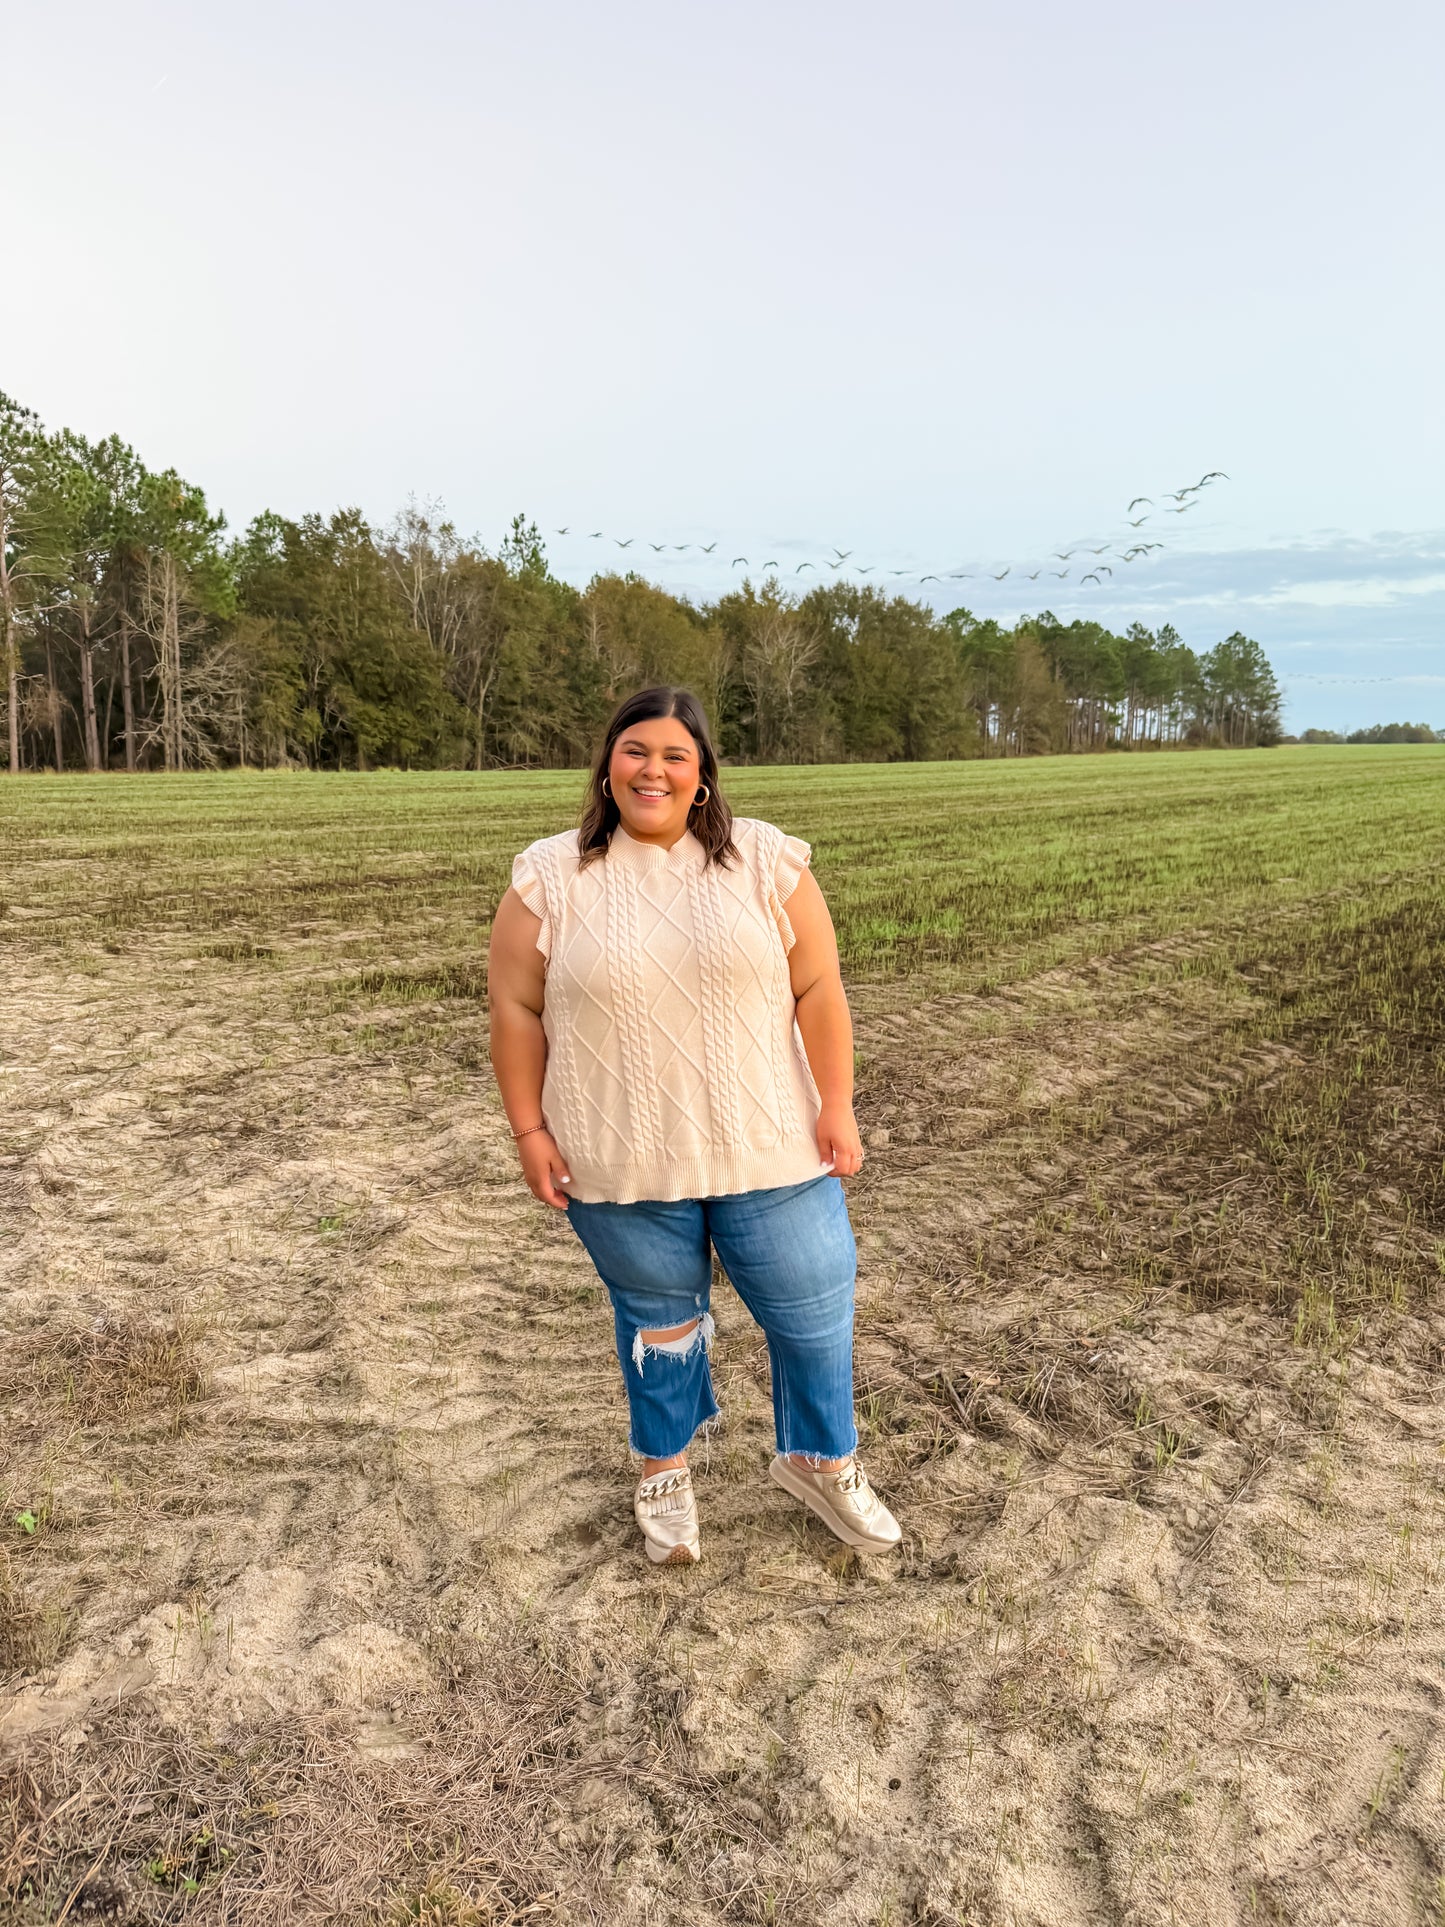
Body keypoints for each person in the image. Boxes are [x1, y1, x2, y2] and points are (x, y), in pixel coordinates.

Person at [487, 685, 901, 1565]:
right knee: (660, 1325)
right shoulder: (548, 876)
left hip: (774, 1142)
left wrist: (836, 1101)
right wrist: (529, 1130)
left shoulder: (765, 860)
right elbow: (516, 1008)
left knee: (814, 1306)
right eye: (635, 750)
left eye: (675, 755)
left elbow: (819, 987)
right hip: (618, 1152)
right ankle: (664, 1473)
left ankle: (820, 1460)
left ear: (702, 773)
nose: (654, 770)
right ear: (608, 764)